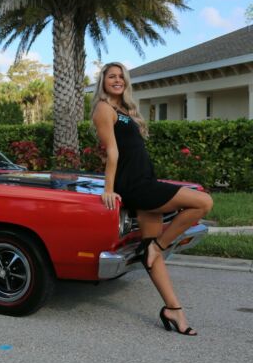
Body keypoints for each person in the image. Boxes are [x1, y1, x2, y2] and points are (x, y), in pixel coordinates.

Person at [91, 62, 213, 336]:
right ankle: (158, 246)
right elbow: (111, 152)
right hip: (135, 185)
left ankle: (173, 310)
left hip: (145, 179)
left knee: (150, 252)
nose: (117, 80)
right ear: (103, 82)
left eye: (121, 76)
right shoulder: (104, 108)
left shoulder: (125, 111)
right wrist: (108, 189)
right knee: (203, 203)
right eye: (111, 76)